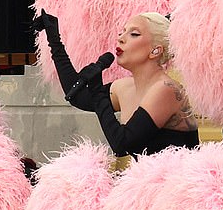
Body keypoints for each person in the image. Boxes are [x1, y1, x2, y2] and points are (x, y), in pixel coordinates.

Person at [33, 10, 199, 157]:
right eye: (122, 32)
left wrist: (98, 92)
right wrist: (54, 41)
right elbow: (77, 96)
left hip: (177, 187)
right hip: (145, 185)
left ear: (156, 50)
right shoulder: (124, 87)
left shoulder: (165, 89)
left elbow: (123, 145)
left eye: (133, 34)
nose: (120, 38)